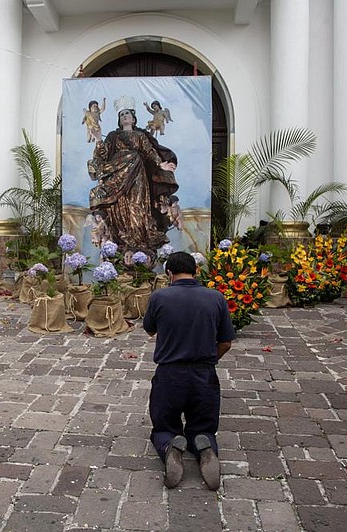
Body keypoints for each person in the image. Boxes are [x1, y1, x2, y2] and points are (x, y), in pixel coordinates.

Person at [142, 252, 236, 490]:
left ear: (169, 273)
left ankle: (170, 446)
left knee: (164, 426)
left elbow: (150, 330)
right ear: (196, 270)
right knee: (204, 426)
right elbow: (226, 342)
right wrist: (209, 360)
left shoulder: (160, 297)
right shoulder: (216, 298)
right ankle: (205, 448)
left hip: (169, 375)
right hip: (204, 375)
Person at [88, 96, 179, 260]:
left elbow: (150, 152)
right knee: (120, 208)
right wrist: (99, 139)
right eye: (121, 114)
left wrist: (161, 165)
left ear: (133, 117)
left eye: (127, 113)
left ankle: (141, 246)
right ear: (119, 119)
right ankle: (124, 245)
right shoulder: (113, 136)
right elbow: (103, 155)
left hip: (138, 176)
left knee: (137, 207)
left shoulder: (140, 135)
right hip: (118, 176)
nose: (124, 116)